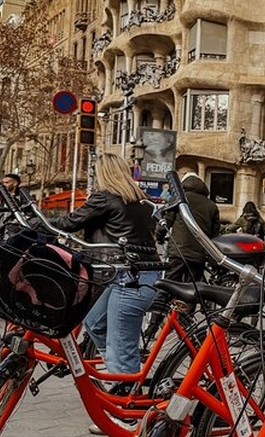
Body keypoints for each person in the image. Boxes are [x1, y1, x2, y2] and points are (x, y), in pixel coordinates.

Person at [49, 153, 158, 378]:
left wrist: (34, 221)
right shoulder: (143, 200)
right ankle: (117, 373)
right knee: (94, 322)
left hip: (127, 276)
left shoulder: (105, 198)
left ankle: (125, 401)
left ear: (103, 173)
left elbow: (69, 223)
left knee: (121, 348)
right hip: (138, 273)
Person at [148, 172, 220, 328]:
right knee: (191, 290)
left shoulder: (179, 199)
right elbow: (215, 234)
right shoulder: (211, 205)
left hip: (178, 252)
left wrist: (159, 237)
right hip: (198, 254)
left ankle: (153, 326)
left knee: (167, 286)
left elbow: (165, 221)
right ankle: (185, 325)